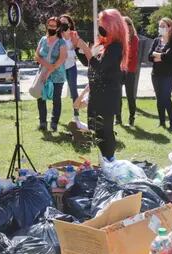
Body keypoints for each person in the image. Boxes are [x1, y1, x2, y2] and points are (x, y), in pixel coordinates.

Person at [71, 9, 128, 161]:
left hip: (107, 97)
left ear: (112, 26)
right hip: (97, 96)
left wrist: (85, 48)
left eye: (102, 24)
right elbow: (88, 62)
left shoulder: (116, 46)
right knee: (97, 131)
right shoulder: (103, 44)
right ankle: (105, 161)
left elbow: (99, 66)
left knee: (106, 132)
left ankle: (110, 161)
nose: (100, 28)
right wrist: (78, 46)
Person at [36, 17, 68, 132]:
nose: (51, 28)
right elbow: (37, 56)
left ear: (58, 27)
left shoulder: (61, 42)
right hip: (42, 73)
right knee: (40, 98)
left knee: (56, 99)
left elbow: (62, 58)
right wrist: (46, 66)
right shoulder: (43, 39)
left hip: (57, 75)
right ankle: (43, 122)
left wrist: (50, 70)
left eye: (54, 26)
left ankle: (54, 123)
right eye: (49, 25)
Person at [148, 17, 172, 131]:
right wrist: (161, 56)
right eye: (159, 26)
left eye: (163, 26)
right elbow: (149, 56)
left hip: (169, 75)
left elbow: (170, 58)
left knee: (166, 98)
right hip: (155, 74)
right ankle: (162, 122)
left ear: (169, 27)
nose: (160, 28)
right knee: (159, 98)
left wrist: (157, 55)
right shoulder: (156, 40)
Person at [115, 16, 139, 126]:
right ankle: (118, 118)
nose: (127, 27)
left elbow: (129, 54)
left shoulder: (134, 39)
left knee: (130, 96)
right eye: (124, 25)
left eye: (128, 24)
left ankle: (132, 118)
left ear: (131, 26)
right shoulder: (118, 38)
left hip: (130, 70)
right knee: (117, 96)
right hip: (119, 71)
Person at [59, 14, 81, 124]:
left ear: (69, 24)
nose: (62, 25)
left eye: (65, 23)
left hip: (71, 66)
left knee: (74, 91)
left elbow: (75, 52)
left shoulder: (74, 35)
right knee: (57, 91)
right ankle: (55, 116)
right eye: (61, 22)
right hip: (60, 67)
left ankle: (76, 116)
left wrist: (67, 53)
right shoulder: (57, 35)